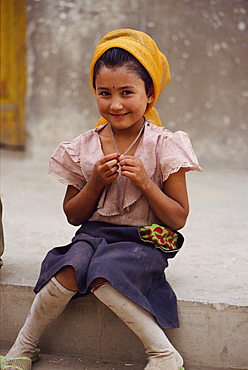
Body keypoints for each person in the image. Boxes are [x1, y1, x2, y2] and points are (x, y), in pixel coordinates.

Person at [0, 29, 202, 370]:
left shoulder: (165, 145)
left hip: (141, 241)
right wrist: (94, 182)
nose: (116, 104)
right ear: (94, 93)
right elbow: (73, 215)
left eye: (127, 92)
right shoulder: (82, 148)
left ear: (149, 93)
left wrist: (145, 183)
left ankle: (163, 354)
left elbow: (178, 217)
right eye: (104, 93)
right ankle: (24, 347)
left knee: (104, 274)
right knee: (66, 269)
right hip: (92, 235)